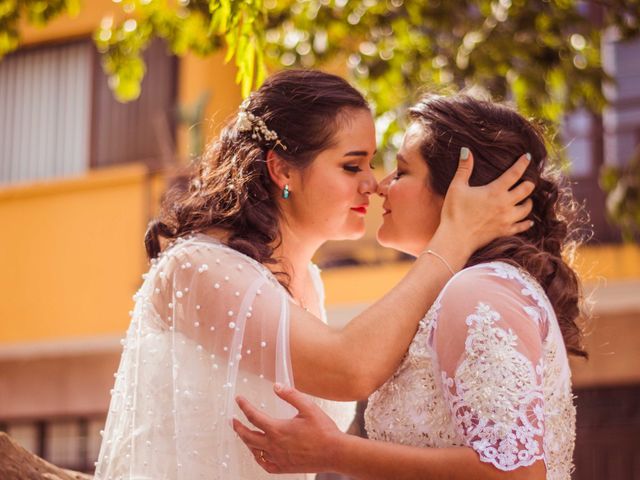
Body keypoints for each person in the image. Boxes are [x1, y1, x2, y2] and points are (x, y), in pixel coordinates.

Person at [94, 71, 534, 480]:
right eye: (351, 166)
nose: (373, 184)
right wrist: (453, 240)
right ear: (283, 170)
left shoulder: (308, 282)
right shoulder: (198, 268)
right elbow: (349, 371)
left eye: (373, 165)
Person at [233, 94, 584, 480]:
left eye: (401, 172)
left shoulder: (477, 290)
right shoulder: (467, 287)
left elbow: (516, 474)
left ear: (457, 192)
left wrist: (334, 451)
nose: (380, 185)